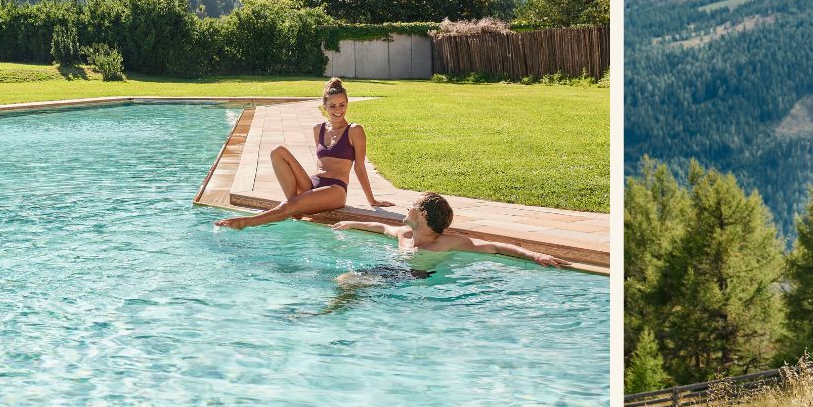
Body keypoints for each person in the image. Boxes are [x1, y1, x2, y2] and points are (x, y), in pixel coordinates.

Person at [215, 77, 389, 230]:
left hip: (335, 190)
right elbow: (321, 164)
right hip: (313, 183)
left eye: (342, 105)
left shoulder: (354, 130)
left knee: (289, 205)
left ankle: (245, 222)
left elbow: (359, 167)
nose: (338, 109)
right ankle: (294, 208)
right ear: (325, 107)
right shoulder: (318, 129)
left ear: (347, 104)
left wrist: (372, 200)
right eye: (333, 105)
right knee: (277, 152)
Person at [331, 191, 569, 280]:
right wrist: (352, 223)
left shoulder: (446, 242)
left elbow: (495, 246)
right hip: (393, 272)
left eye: (412, 205)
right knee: (345, 280)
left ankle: (329, 313)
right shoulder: (405, 234)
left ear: (423, 214)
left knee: (349, 282)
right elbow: (381, 227)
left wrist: (535, 255)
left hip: (416, 277)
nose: (407, 207)